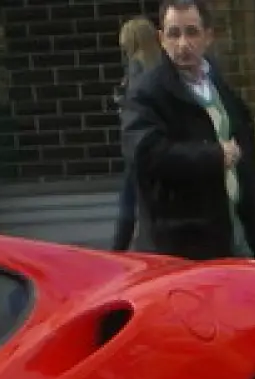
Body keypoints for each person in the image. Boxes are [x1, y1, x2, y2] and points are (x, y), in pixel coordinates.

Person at [123, 0, 255, 261]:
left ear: (208, 36)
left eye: (192, 32)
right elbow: (145, 154)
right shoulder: (147, 91)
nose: (183, 44)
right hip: (181, 244)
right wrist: (213, 156)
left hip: (233, 229)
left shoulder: (220, 88)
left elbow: (247, 168)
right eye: (174, 33)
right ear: (161, 38)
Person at [110, 20, 164, 250]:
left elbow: (134, 102)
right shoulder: (162, 64)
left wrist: (119, 99)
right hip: (159, 139)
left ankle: (119, 248)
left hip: (138, 141)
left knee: (128, 197)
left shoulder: (136, 65)